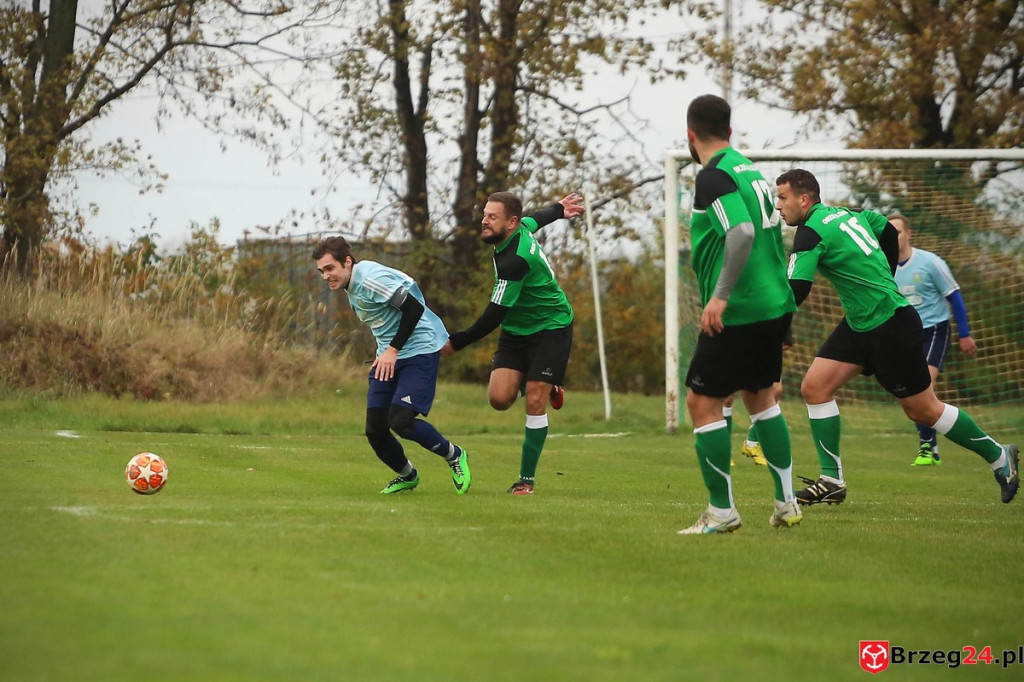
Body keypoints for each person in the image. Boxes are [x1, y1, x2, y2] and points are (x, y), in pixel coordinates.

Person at [776, 169, 1019, 506]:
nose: (778, 206)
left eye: (782, 197)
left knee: (923, 410)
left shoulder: (809, 233)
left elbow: (797, 288)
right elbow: (888, 231)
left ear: (804, 199)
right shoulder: (850, 214)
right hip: (860, 323)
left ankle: (999, 455)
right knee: (814, 388)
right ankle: (832, 480)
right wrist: (886, 275)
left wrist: (775, 328)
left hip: (890, 325)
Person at [675, 94, 802, 535]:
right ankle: (786, 503)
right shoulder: (749, 168)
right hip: (774, 302)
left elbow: (742, 232)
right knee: (760, 398)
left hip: (741, 308)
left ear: (691, 134)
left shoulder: (713, 176)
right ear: (729, 131)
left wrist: (720, 297)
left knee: (701, 402)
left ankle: (721, 512)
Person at [440, 191, 584, 495]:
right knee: (499, 399)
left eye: (492, 217)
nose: (484, 221)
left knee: (534, 398)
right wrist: (558, 209)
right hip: (516, 331)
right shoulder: (520, 228)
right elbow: (536, 219)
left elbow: (493, 315)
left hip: (551, 326)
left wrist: (456, 342)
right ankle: (546, 383)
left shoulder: (515, 261)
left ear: (510, 222)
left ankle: (526, 481)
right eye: (484, 215)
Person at [313, 236, 471, 495]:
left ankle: (455, 455)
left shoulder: (370, 279)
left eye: (329, 268)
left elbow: (413, 309)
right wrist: (384, 351)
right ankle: (408, 475)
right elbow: (384, 320)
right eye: (321, 271)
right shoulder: (351, 285)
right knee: (375, 429)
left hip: (419, 350)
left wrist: (392, 349)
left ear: (347, 262)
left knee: (400, 420)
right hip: (391, 355)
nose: (325, 276)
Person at [890, 214, 978, 466]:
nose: (893, 237)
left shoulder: (931, 263)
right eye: (888, 233)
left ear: (909, 234)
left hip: (935, 330)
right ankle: (931, 446)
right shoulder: (884, 267)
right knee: (910, 394)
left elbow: (955, 297)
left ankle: (927, 447)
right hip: (905, 335)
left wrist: (964, 334)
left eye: (897, 232)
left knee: (923, 385)